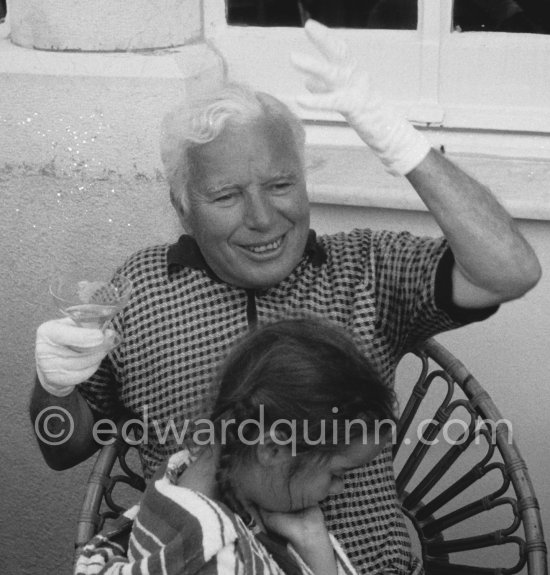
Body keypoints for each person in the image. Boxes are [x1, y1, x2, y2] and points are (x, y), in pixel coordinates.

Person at [31, 19, 541, 575]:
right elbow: (61, 447)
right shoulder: (141, 289)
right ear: (183, 207)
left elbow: (509, 272)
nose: (262, 217)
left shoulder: (366, 267)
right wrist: (55, 383)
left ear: (304, 180)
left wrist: (402, 144)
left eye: (280, 185)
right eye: (226, 195)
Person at [75, 318, 402, 575]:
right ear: (273, 450)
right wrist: (317, 548)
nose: (339, 489)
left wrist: (309, 535)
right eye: (338, 473)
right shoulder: (222, 560)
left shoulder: (187, 475)